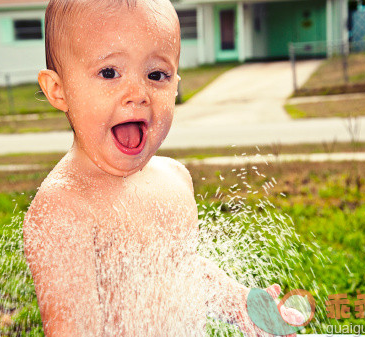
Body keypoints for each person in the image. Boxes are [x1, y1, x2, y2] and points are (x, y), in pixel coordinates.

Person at [23, 0, 299, 335]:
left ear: (176, 85)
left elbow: (181, 271)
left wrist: (239, 304)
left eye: (157, 75)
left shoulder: (175, 179)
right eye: (109, 72)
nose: (138, 94)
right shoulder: (64, 208)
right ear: (58, 89)